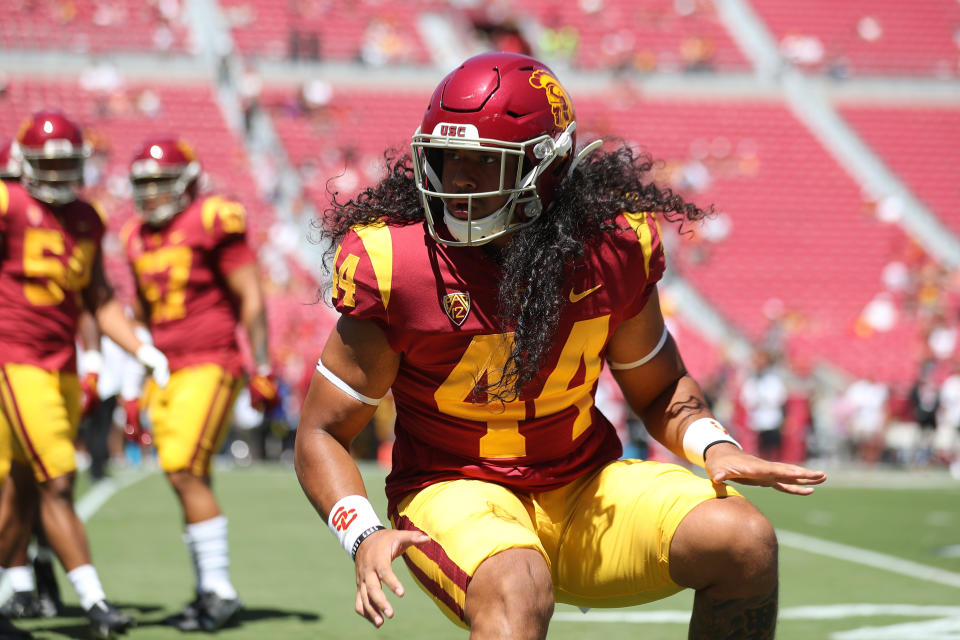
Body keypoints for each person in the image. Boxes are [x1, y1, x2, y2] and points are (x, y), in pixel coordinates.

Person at [294, 52, 826, 639]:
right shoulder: (396, 262)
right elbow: (323, 430)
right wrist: (361, 532)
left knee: (744, 541)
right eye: (447, 160)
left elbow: (658, 386)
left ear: (546, 169)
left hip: (582, 488)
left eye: (482, 163)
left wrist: (713, 445)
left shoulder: (614, 249)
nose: (458, 182)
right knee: (518, 584)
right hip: (454, 488)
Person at [0, 111, 171, 640]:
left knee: (20, 484)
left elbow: (96, 296)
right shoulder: (7, 204)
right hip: (13, 356)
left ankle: (14, 589)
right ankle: (94, 601)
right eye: (47, 165)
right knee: (58, 477)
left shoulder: (86, 219)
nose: (57, 176)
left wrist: (139, 347)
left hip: (62, 363)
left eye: (67, 164)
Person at [121, 137, 279, 631]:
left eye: (161, 182)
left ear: (187, 182)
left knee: (184, 468)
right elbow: (144, 320)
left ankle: (220, 591)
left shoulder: (214, 219)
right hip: (166, 368)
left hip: (211, 361)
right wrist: (134, 385)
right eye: (143, 184)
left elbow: (251, 297)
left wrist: (262, 365)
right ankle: (207, 589)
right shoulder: (134, 237)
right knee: (185, 478)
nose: (151, 194)